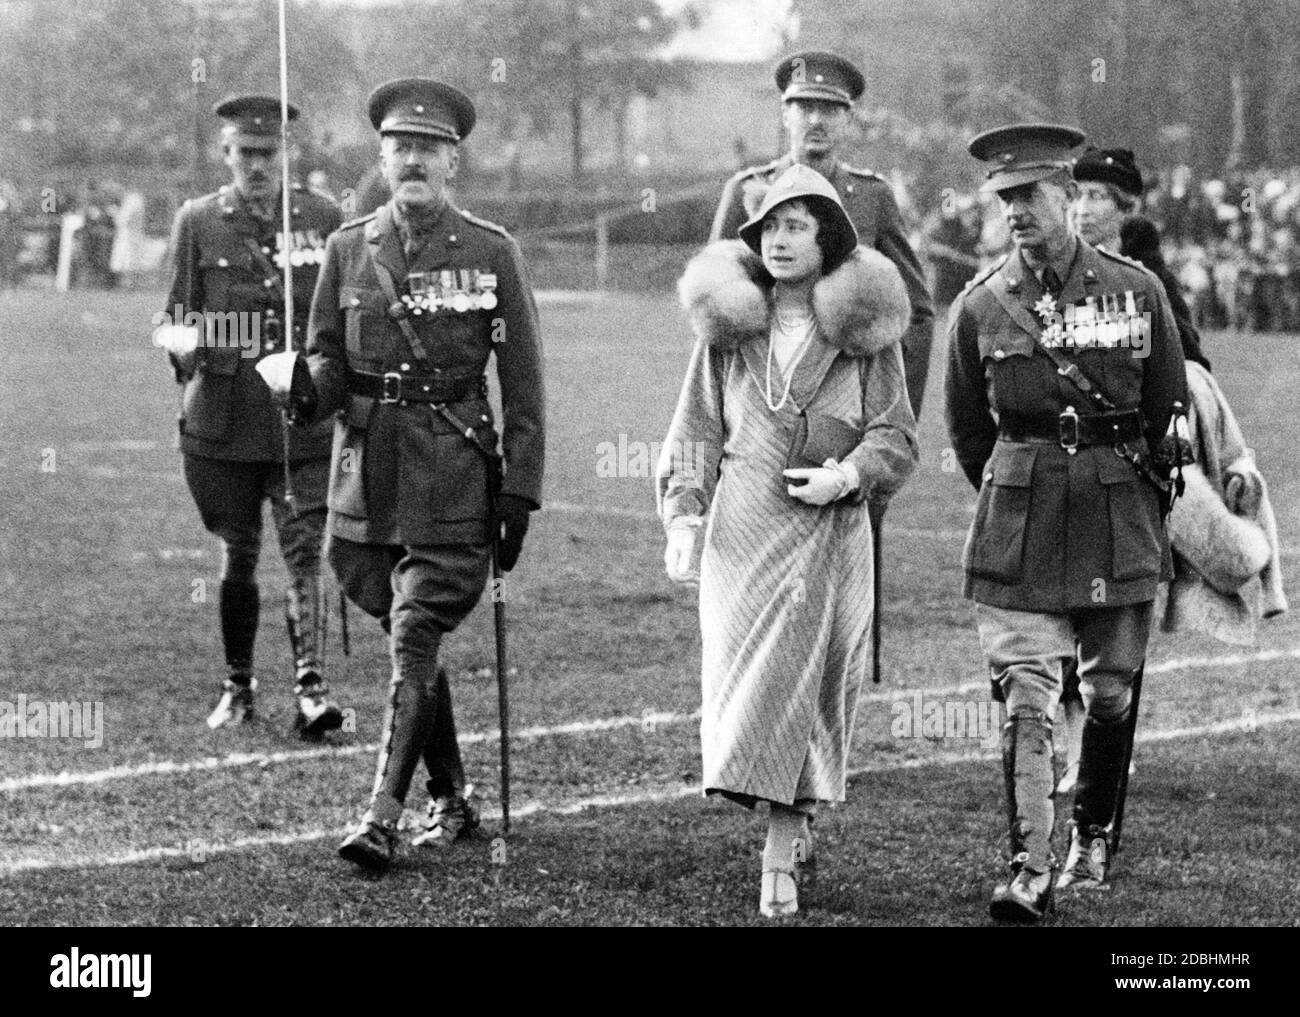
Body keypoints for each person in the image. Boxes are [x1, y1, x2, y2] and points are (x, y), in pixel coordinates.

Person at [272, 78, 545, 871]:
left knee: (416, 625)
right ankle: (454, 794)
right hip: (366, 474)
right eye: (401, 148)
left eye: (429, 148)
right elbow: (326, 356)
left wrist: (518, 491)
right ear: (383, 159)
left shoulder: (493, 252)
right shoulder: (346, 248)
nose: (414, 160)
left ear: (453, 162)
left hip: (455, 472)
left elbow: (523, 383)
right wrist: (303, 389)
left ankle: (382, 816)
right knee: (403, 631)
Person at [658, 164, 917, 918]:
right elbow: (697, 429)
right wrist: (683, 514)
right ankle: (788, 820)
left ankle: (780, 851)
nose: (780, 239)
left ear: (828, 240)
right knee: (752, 686)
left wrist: (850, 476)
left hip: (832, 534)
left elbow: (897, 434)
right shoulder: (731, 328)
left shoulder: (866, 335)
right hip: (743, 532)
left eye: (797, 226)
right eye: (770, 226)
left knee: (811, 683)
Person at [944, 124, 1188, 922]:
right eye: (1004, 199)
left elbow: (1165, 409)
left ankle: (1093, 831)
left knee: (1110, 693)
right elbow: (970, 435)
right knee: (1025, 692)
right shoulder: (979, 306)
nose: (1015, 212)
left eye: (1030, 196)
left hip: (1119, 510)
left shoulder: (1136, 291)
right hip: (1021, 514)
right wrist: (1025, 482)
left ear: (1070, 198)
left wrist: (1137, 501)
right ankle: (1030, 866)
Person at [159, 95, 344, 737]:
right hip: (225, 422)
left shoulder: (323, 217)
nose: (258, 166)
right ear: (227, 154)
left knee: (303, 557)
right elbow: (174, 320)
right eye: (246, 154)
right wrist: (210, 346)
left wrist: (315, 370)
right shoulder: (199, 221)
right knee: (237, 555)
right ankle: (238, 685)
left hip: (301, 422)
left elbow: (339, 323)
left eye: (269, 154)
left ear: (287, 154)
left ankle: (312, 691)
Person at [709, 51, 934, 419]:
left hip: (846, 404)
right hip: (761, 399)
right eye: (805, 107)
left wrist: (893, 416)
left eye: (829, 110)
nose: (816, 120)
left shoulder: (871, 196)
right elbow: (714, 306)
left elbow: (918, 312)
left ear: (848, 119)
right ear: (785, 115)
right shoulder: (746, 190)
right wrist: (720, 413)